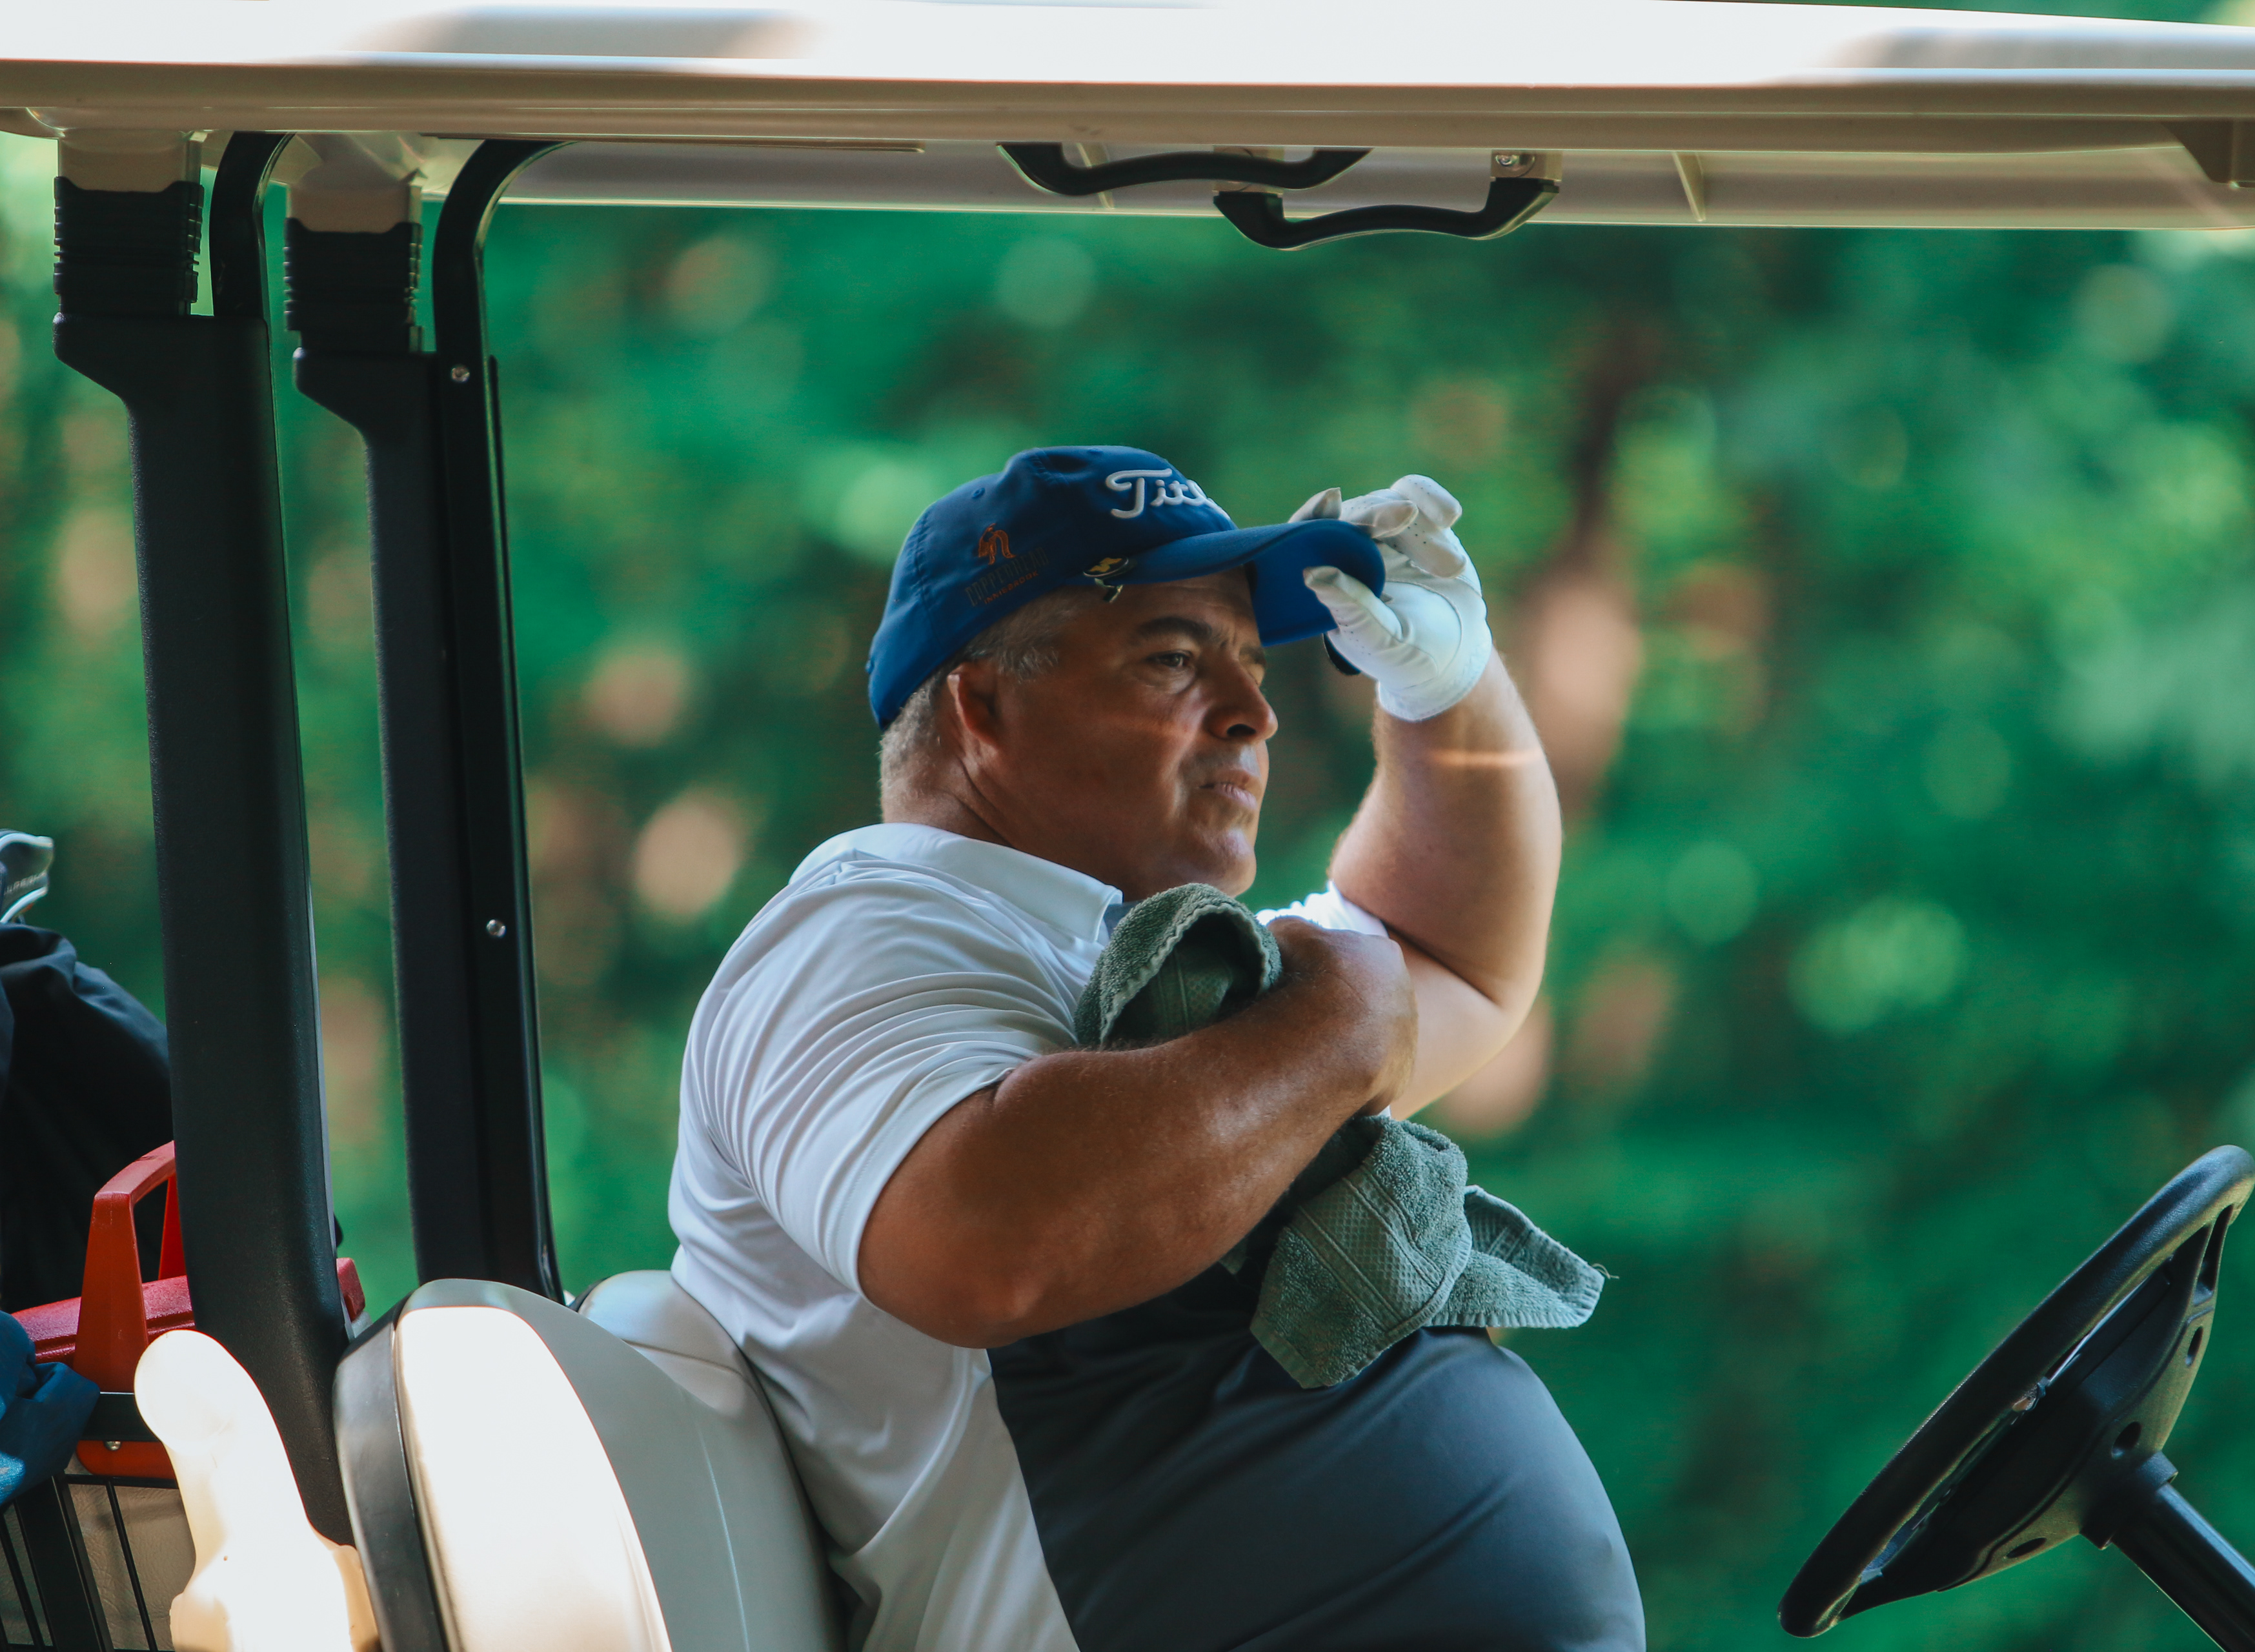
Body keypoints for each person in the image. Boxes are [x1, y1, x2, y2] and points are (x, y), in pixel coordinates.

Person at [669, 446, 1644, 1651]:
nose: (1256, 713)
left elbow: (1448, 963)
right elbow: (989, 1244)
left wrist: (1448, 685)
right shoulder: (858, 931)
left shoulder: (1144, 978)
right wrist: (1338, 1022)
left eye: (1252, 663)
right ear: (982, 709)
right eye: (1175, 660)